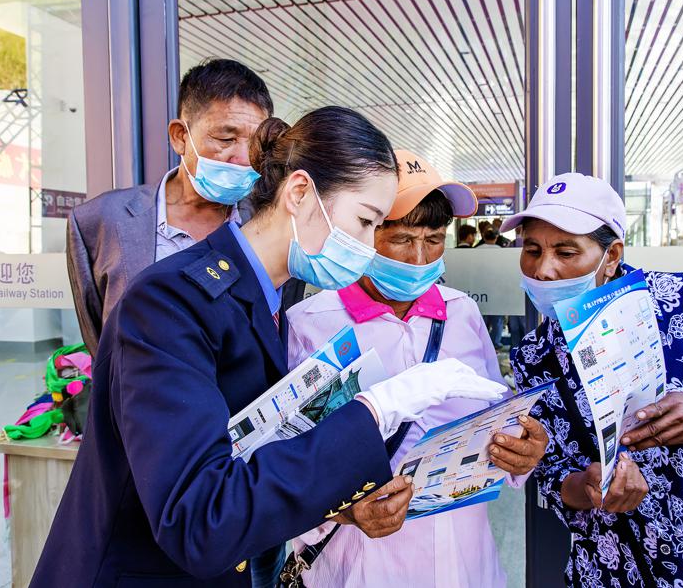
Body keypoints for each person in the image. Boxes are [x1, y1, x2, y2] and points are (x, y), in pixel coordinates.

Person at [30, 108, 506, 588]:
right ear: (299, 193)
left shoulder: (268, 300)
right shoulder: (170, 302)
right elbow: (200, 520)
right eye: (366, 222)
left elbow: (256, 461)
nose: (367, 248)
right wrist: (377, 408)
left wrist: (339, 505)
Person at [504, 173, 683, 587]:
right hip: (612, 568)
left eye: (566, 252)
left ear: (611, 255)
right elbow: (551, 474)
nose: (543, 270)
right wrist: (586, 484)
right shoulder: (534, 356)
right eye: (532, 250)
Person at [285, 150, 548, 587]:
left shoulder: (462, 313)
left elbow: (497, 417)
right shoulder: (311, 324)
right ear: (364, 232)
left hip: (465, 561)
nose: (420, 258)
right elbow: (282, 461)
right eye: (403, 239)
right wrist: (343, 511)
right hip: (361, 565)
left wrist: (521, 453)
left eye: (434, 238)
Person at [66, 59, 300, 356]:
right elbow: (103, 341)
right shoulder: (100, 221)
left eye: (255, 146)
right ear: (180, 136)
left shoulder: (273, 219)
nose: (243, 158)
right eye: (226, 138)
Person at [477, 229, 505, 347]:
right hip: (496, 288)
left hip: (480, 288)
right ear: (496, 237)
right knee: (497, 319)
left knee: (482, 318)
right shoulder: (500, 251)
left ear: (484, 237)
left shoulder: (477, 250)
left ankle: (481, 343)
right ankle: (495, 343)